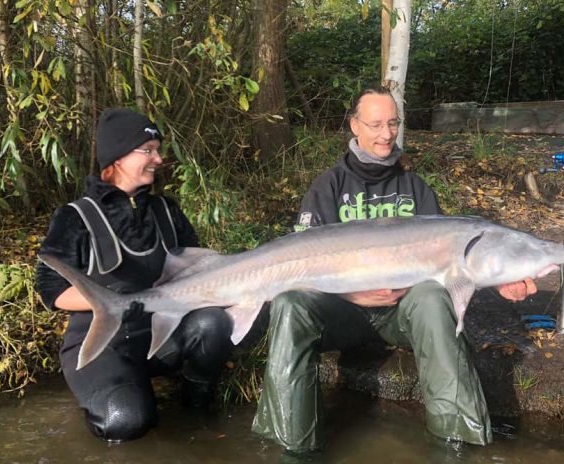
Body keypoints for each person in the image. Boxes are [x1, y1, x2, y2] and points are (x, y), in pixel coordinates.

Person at [251, 87, 537, 453]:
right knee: (290, 304)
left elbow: (453, 260)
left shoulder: (414, 187)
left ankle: (458, 443)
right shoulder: (328, 187)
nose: (386, 134)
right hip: (342, 313)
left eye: (393, 123)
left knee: (433, 296)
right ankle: (292, 447)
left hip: (402, 313)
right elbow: (298, 264)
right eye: (375, 124)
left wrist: (498, 280)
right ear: (355, 126)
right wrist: (351, 294)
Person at [36, 108, 233, 442]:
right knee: (125, 421)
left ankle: (196, 406)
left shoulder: (166, 211)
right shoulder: (74, 217)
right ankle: (119, 394)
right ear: (118, 156)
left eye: (157, 149)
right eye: (148, 150)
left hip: (162, 337)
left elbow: (201, 271)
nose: (158, 158)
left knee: (212, 322)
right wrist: (116, 298)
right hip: (104, 346)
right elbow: (50, 291)